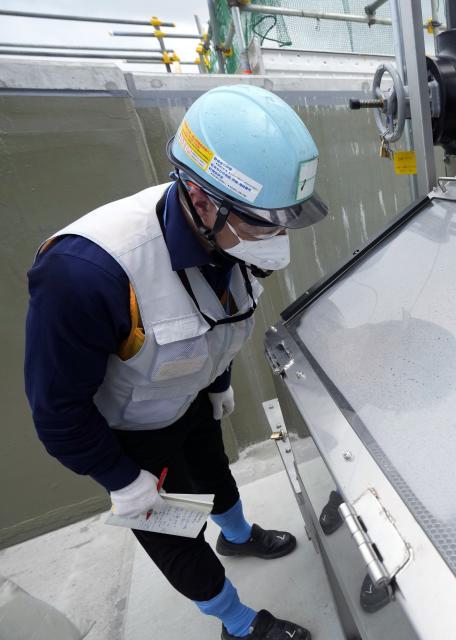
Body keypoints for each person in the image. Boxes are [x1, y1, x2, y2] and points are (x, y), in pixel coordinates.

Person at [24, 84, 328, 640]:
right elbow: (56, 410)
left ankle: (237, 536)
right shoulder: (87, 274)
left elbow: (221, 323)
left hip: (187, 397)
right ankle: (238, 625)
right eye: (267, 223)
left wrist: (218, 384)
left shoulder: (228, 238)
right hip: (127, 433)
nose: (278, 239)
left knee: (213, 468)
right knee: (174, 532)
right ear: (203, 199)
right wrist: (120, 477)